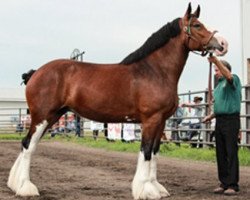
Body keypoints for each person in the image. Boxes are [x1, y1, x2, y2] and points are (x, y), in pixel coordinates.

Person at [203, 56, 241, 196]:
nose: (216, 72)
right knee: (221, 153)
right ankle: (224, 182)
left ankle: (232, 184)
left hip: (231, 120)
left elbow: (228, 76)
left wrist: (215, 60)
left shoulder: (233, 79)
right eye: (215, 70)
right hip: (220, 120)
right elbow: (220, 106)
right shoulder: (219, 86)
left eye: (218, 70)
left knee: (231, 152)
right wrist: (211, 116)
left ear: (225, 69)